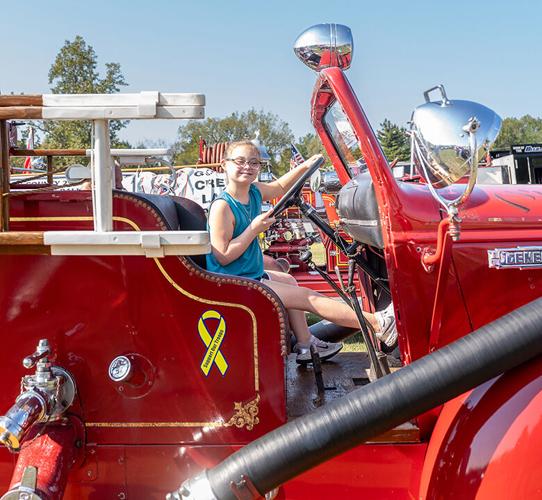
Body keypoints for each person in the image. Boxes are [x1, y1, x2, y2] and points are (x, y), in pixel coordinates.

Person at [206, 140, 397, 363]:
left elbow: (279, 187)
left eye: (253, 162)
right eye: (240, 161)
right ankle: (379, 324)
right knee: (308, 297)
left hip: (248, 274)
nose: (247, 167)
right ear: (224, 165)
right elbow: (223, 256)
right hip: (231, 282)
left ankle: (306, 345)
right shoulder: (223, 207)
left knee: (289, 280)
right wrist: (253, 229)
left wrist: (305, 166)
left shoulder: (254, 192)